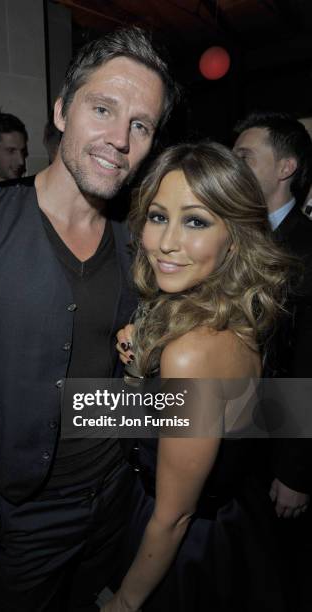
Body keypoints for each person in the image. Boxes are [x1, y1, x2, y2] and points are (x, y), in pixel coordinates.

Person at [0, 27, 178, 610]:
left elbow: (115, 377)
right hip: (17, 511)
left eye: (141, 125)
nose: (119, 140)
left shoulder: (141, 242)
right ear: (61, 110)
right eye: (103, 108)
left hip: (116, 494)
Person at [108, 142, 292, 612]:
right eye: (157, 216)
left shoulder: (190, 354)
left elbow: (173, 517)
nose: (167, 242)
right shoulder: (241, 311)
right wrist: (136, 372)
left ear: (235, 236)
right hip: (234, 521)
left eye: (195, 221)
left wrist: (125, 603)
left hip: (188, 549)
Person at [233, 112, 312, 518]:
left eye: (245, 157)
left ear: (286, 168)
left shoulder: (307, 248)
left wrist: (296, 470)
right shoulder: (232, 235)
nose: (233, 166)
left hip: (275, 452)